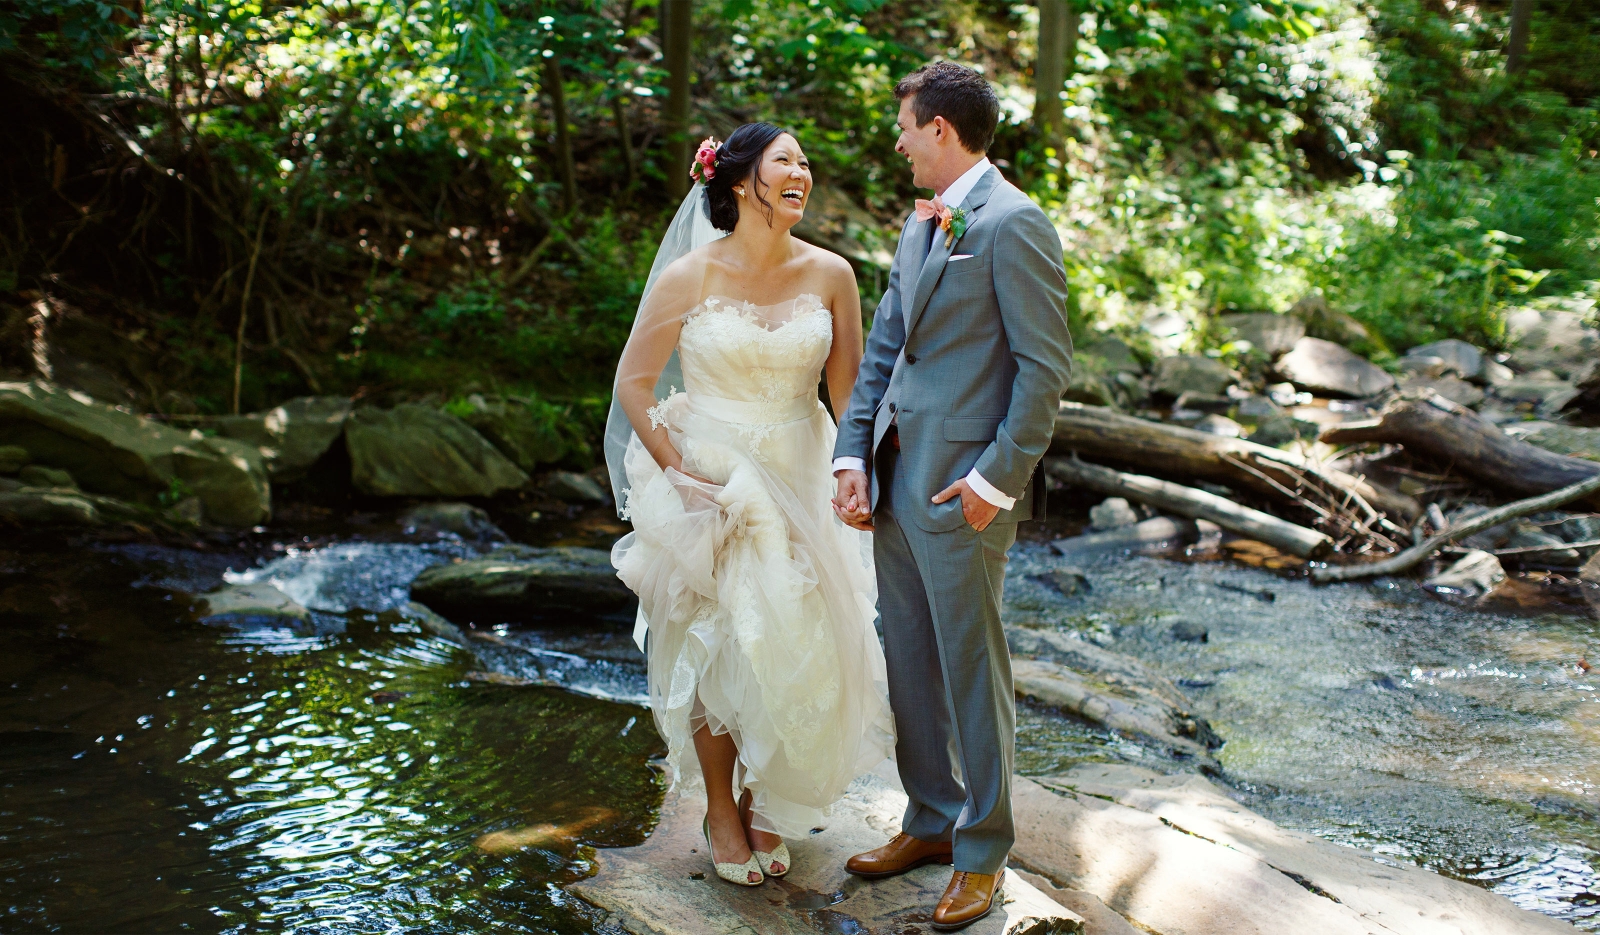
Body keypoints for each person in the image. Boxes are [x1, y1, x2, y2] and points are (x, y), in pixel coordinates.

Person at [605, 123, 896, 887]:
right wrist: (678, 474)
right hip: (712, 471)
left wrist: (858, 471)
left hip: (801, 466)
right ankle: (720, 808)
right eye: (784, 160)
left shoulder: (832, 274)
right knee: (716, 635)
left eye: (805, 161)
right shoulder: (689, 275)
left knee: (800, 633)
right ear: (740, 182)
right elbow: (633, 384)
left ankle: (767, 797)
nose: (802, 171)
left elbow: (848, 395)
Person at [831, 62, 1074, 931]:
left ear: (940, 128)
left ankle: (982, 851)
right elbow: (886, 349)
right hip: (895, 478)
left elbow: (1045, 371)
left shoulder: (1015, 223)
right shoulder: (918, 220)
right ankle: (930, 819)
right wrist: (851, 453)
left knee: (973, 668)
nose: (898, 141)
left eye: (905, 126)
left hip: (964, 490)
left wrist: (994, 481)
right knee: (908, 659)